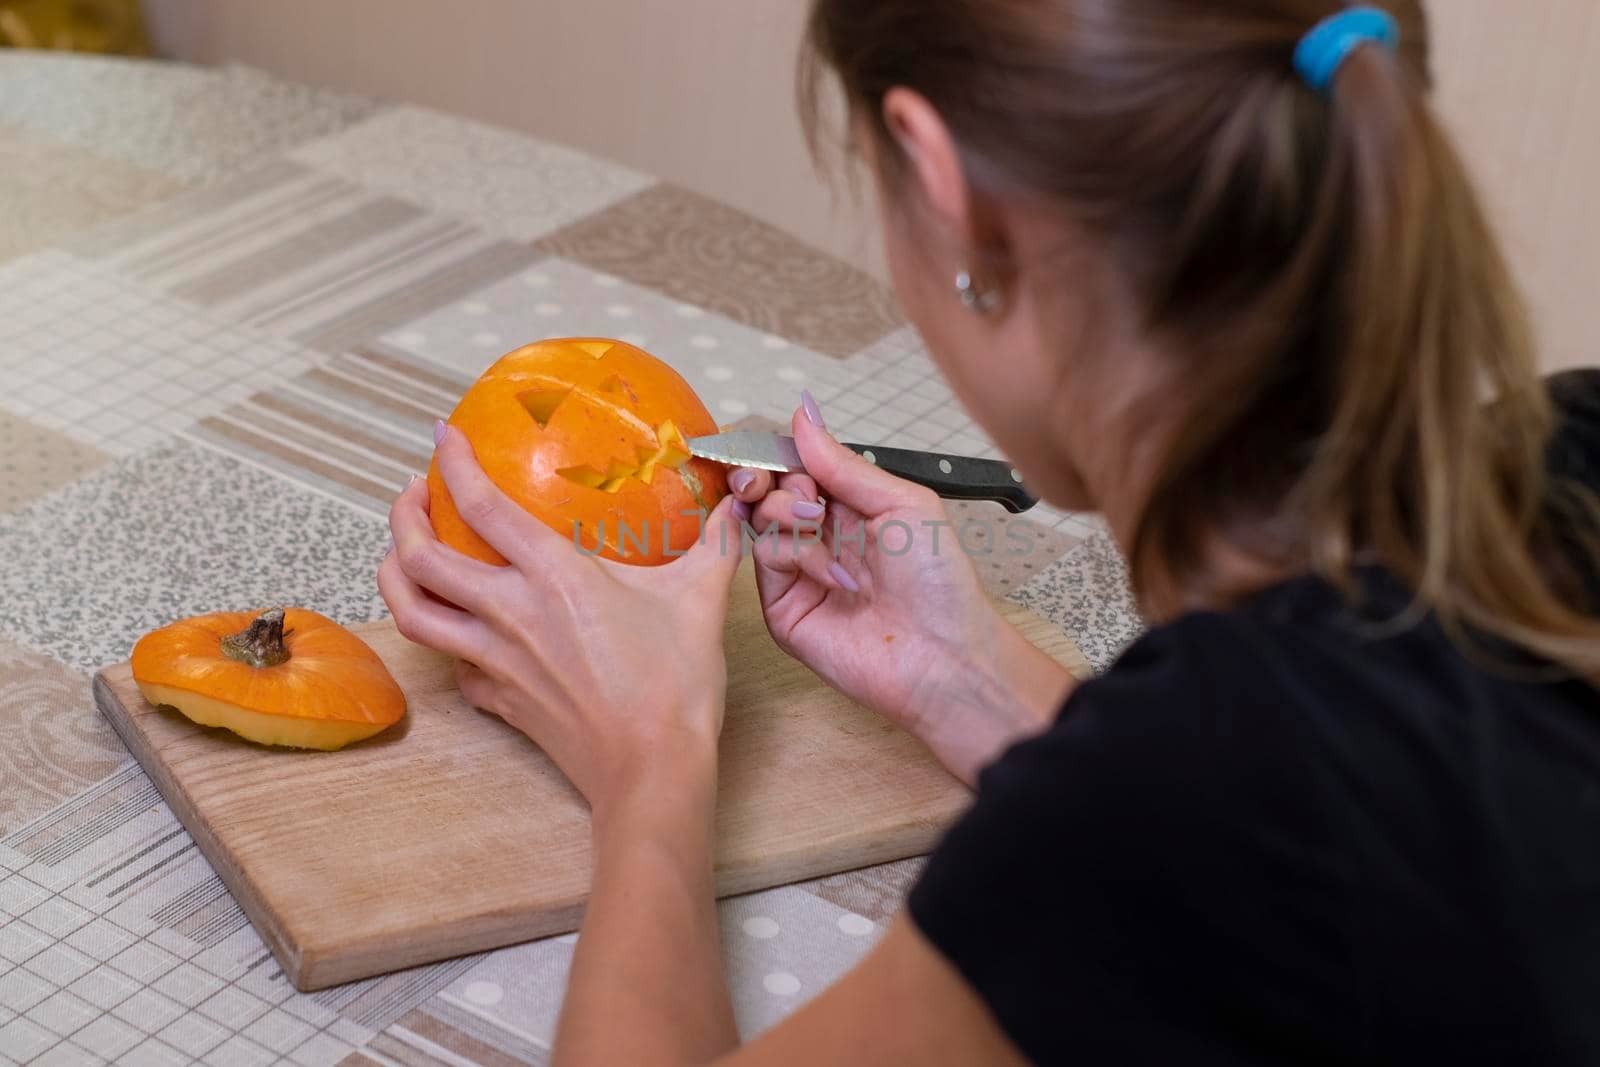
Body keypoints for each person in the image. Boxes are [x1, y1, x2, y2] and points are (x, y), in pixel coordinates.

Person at [379, 1, 1600, 1063]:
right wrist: (971, 679)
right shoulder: (1571, 448)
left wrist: (650, 753)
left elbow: (1219, 823)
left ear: (948, 190)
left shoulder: (1177, 808)